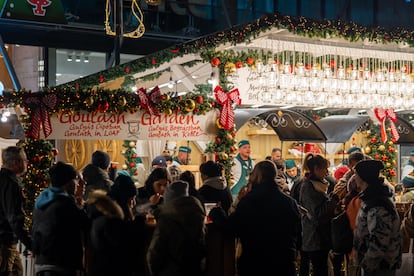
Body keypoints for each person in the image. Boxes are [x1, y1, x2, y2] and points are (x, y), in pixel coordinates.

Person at [209, 160, 301, 276]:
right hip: (284, 265)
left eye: (252, 174)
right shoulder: (290, 203)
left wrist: (217, 213)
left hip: (256, 264)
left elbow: (232, 228)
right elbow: (298, 236)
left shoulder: (249, 202)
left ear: (259, 176)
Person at [32, 161, 89, 276]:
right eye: (76, 180)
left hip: (42, 262)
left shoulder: (41, 202)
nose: (78, 184)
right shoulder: (66, 203)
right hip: (61, 263)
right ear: (67, 183)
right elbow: (86, 223)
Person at [87, 174, 148, 276]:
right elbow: (126, 246)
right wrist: (139, 222)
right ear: (126, 200)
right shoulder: (111, 221)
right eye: (131, 199)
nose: (133, 204)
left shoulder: (104, 213)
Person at [147, 180, 207, 276]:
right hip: (194, 269)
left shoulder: (166, 218)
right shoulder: (198, 215)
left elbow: (156, 251)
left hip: (170, 270)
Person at [353, 159, 402, 276]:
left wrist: (367, 264)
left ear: (364, 177)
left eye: (356, 174)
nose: (354, 177)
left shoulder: (377, 203)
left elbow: (380, 239)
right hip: (376, 264)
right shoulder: (372, 199)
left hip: (380, 266)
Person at [299, 153, 340, 276]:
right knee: (319, 269)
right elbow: (318, 213)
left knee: (321, 267)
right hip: (314, 237)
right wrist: (334, 199)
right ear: (316, 168)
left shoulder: (318, 184)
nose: (327, 172)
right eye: (325, 168)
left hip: (320, 236)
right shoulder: (308, 187)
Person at [0, 146, 32, 276]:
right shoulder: (11, 184)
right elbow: (14, 217)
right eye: (24, 160)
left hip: (6, 241)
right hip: (5, 242)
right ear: (15, 163)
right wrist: (29, 243)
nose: (27, 163)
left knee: (18, 271)